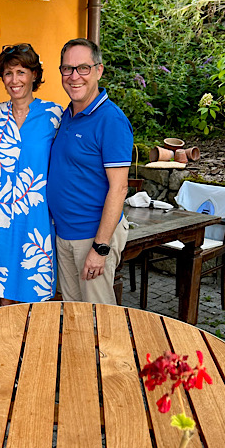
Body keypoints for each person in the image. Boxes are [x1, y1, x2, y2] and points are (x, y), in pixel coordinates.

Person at [47, 38, 133, 305]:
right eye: (67, 69)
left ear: (99, 70)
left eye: (83, 68)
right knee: (75, 317)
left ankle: (108, 350)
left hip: (92, 238)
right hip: (65, 234)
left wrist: (100, 247)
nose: (74, 76)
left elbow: (119, 188)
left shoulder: (111, 120)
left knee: (100, 321)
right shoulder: (67, 115)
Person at [0, 44, 63, 305]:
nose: (14, 80)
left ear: (34, 75)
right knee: (3, 293)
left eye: (21, 72)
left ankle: (34, 346)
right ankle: (6, 345)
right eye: (8, 73)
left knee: (34, 293)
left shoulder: (53, 115)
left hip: (36, 216)